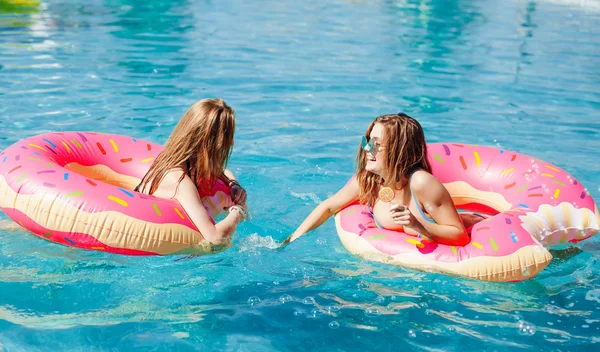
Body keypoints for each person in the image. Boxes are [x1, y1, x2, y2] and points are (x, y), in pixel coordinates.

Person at [283, 113, 475, 246]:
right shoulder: (370, 181)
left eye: (376, 144)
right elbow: (328, 207)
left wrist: (418, 225)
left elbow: (459, 236)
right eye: (367, 141)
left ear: (399, 150)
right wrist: (289, 242)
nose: (367, 149)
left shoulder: (422, 184)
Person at [135, 98, 247, 245]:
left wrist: (233, 184)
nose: (231, 143)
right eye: (228, 138)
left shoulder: (185, 161)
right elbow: (214, 238)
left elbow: (222, 171)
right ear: (210, 142)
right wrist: (237, 212)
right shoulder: (179, 181)